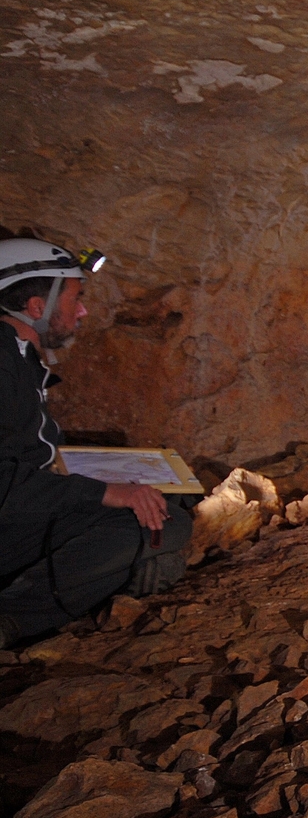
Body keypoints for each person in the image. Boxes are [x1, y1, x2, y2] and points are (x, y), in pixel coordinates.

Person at [0, 236, 191, 649]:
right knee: (157, 524)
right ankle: (11, 617)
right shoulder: (3, 365)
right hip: (9, 516)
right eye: (76, 298)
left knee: (166, 511)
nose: (83, 310)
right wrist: (105, 492)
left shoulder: (19, 358)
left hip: (19, 510)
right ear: (37, 308)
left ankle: (106, 577)